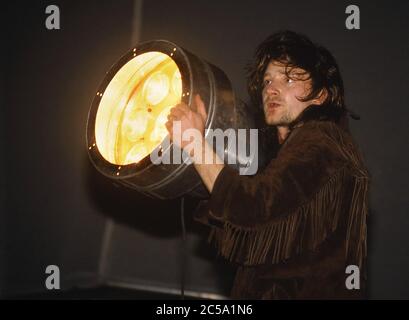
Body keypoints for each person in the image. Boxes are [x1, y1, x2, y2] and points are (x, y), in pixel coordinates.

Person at [165, 30, 369, 299]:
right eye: (267, 80)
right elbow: (254, 239)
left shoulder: (321, 139)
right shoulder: (300, 152)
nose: (271, 88)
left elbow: (253, 209)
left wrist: (194, 143)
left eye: (289, 78)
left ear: (321, 96)